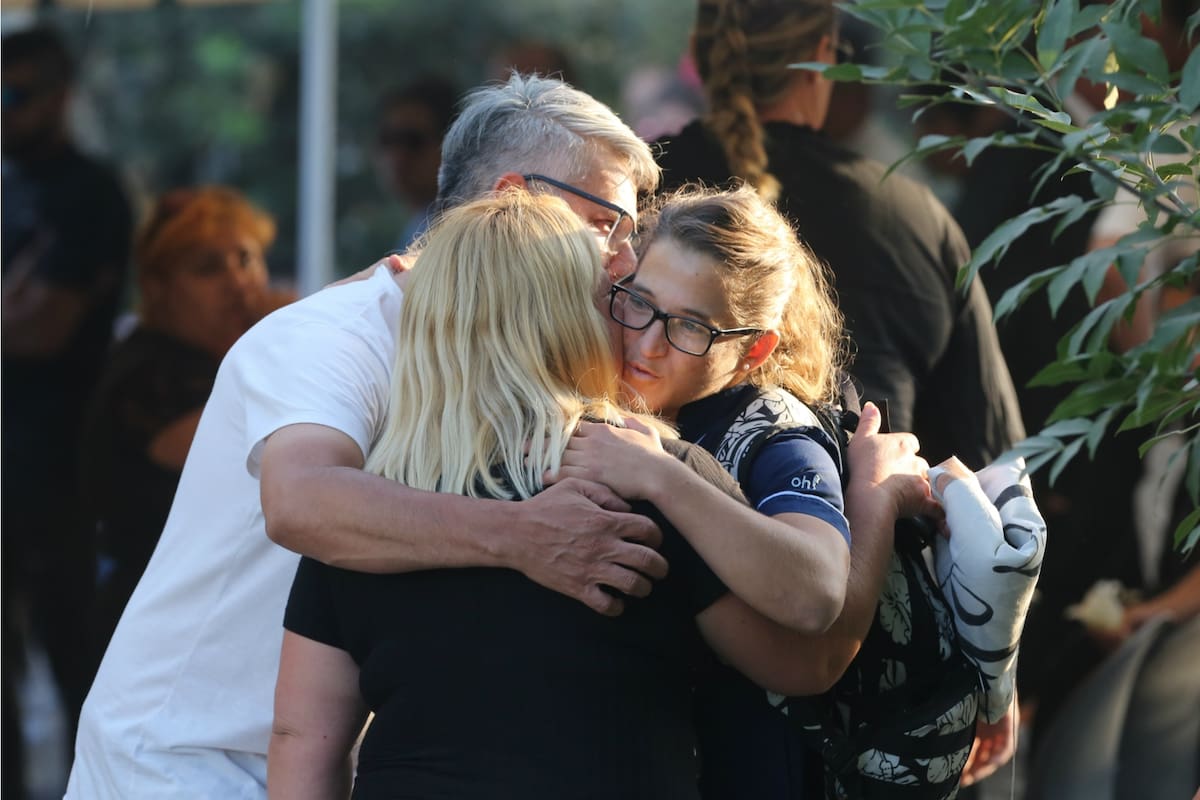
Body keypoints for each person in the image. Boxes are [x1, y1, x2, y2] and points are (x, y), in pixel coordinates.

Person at [68, 73, 858, 799]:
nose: (624, 258)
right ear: (515, 199)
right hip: (184, 763)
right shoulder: (333, 336)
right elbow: (302, 502)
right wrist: (522, 536)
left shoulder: (518, 385)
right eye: (604, 223)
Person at [267, 188, 933, 799]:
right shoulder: (644, 474)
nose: (635, 336)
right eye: (620, 299)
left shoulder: (363, 514)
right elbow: (806, 659)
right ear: (564, 320)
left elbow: (304, 742)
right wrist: (872, 495)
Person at [651, 0, 1029, 792]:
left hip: (665, 650)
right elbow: (987, 470)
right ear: (825, 53)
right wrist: (995, 677)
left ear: (700, 48)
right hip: (870, 681)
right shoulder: (913, 212)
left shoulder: (646, 200)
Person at [1, 24, 133, 787]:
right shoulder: (10, 185)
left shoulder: (88, 194)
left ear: (60, 97)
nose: (3, 111)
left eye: (14, 94)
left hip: (61, 472)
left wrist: (21, 314)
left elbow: (44, 329)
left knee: (74, 657)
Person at [79, 186, 285, 669]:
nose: (239, 283)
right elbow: (256, 445)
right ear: (159, 288)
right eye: (208, 268)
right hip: (160, 637)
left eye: (245, 257)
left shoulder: (226, 360)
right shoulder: (150, 375)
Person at [373, 76, 459, 249]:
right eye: (388, 140)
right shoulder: (418, 227)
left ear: (450, 147)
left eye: (412, 141)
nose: (397, 156)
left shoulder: (451, 232)